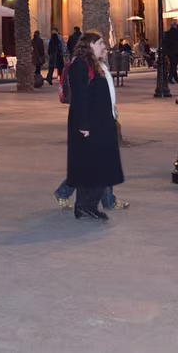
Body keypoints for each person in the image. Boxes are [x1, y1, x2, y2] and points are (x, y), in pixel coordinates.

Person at [64, 31, 123, 221]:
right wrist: (84, 125)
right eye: (99, 43)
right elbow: (80, 97)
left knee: (94, 167)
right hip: (90, 125)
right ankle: (85, 206)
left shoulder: (95, 64)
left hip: (101, 122)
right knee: (93, 167)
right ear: (89, 45)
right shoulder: (80, 65)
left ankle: (85, 206)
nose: (103, 46)